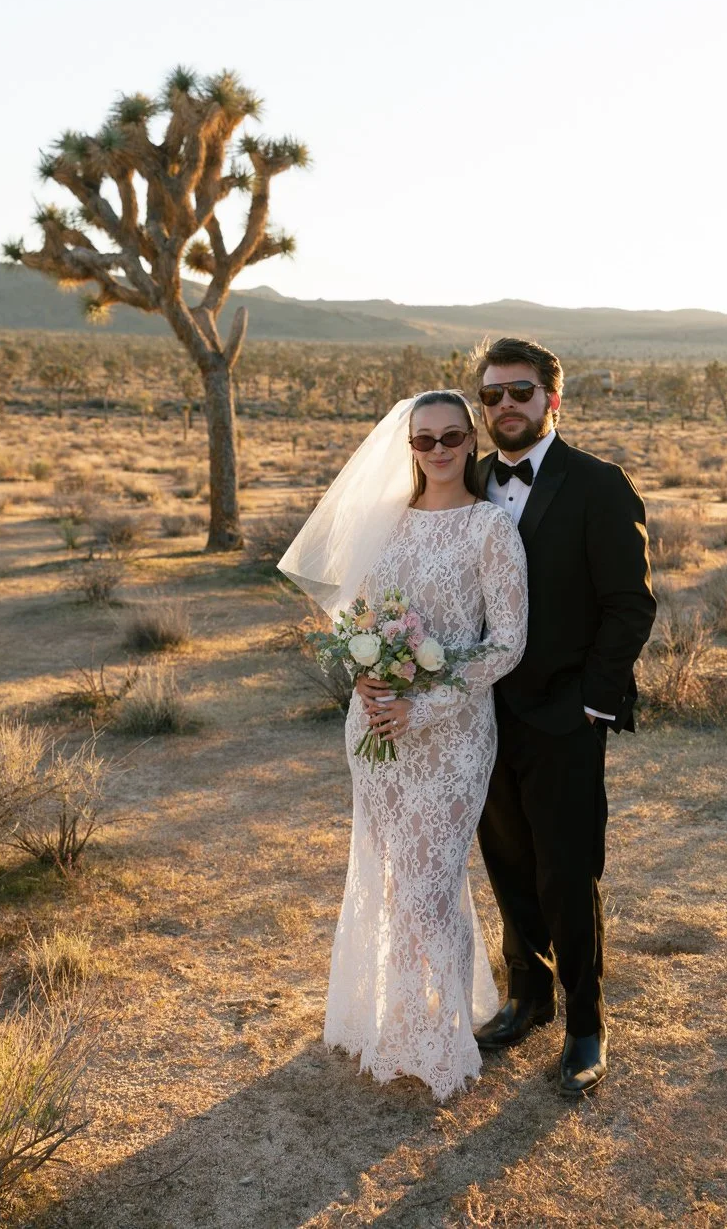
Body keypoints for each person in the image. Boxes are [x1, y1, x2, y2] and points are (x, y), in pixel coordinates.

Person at [279, 390, 528, 1102]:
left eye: (453, 436)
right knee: (397, 882)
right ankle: (398, 1019)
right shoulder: (381, 523)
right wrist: (363, 675)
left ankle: (440, 1039)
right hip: (376, 728)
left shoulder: (489, 528)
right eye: (425, 440)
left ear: (471, 442)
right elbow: (353, 619)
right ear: (408, 447)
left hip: (452, 732)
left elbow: (507, 644)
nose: (440, 450)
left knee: (430, 888)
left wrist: (430, 704)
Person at [470, 337, 656, 1096]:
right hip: (481, 717)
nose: (504, 406)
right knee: (508, 864)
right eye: (491, 396)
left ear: (553, 399)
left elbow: (630, 605)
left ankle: (587, 1023)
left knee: (568, 873)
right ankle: (527, 996)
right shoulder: (468, 480)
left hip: (565, 718)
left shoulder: (599, 485)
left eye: (519, 392)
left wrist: (591, 703)